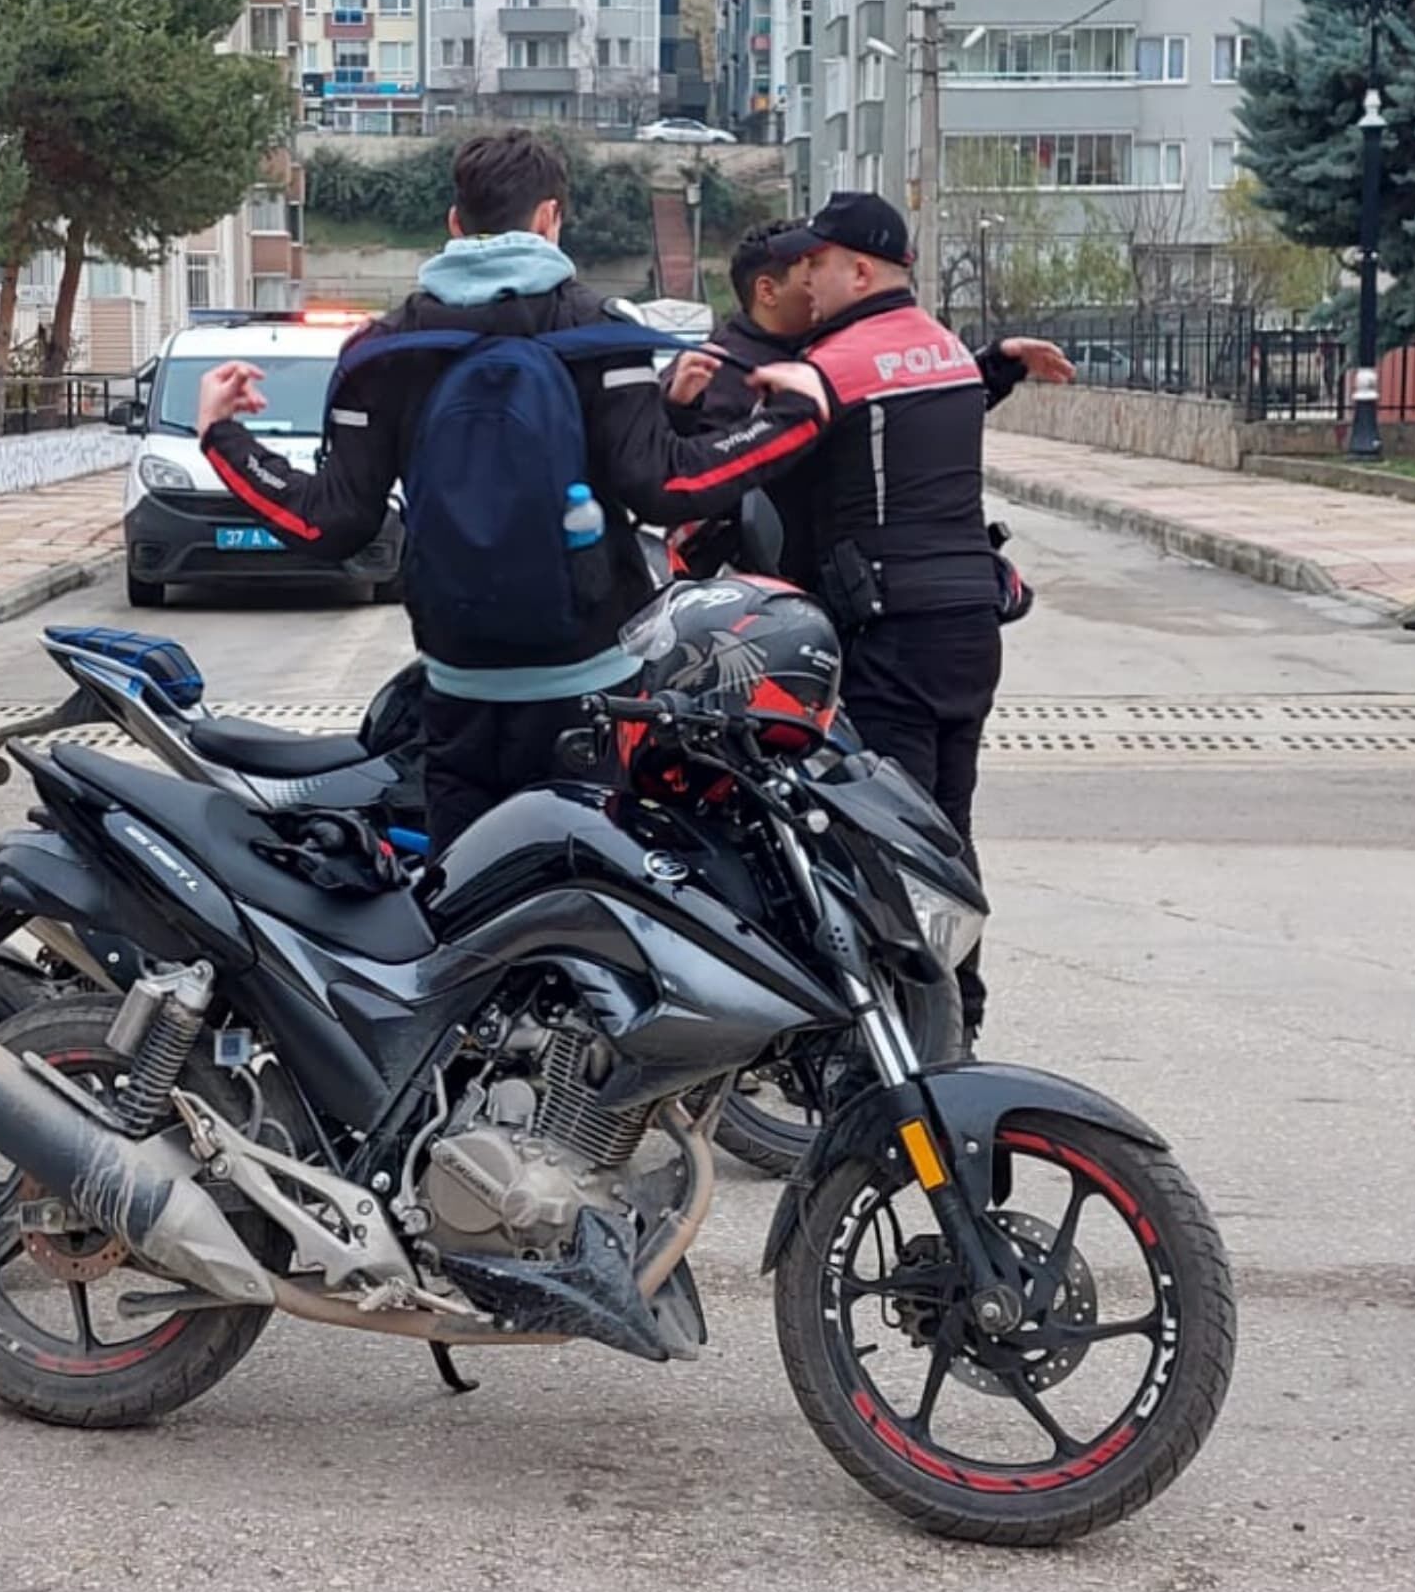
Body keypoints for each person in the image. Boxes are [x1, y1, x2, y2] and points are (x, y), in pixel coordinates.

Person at [193, 129, 831, 849]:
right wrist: (794, 418)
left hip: (458, 687)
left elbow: (330, 524)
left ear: (454, 224)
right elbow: (665, 485)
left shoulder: (382, 347)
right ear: (549, 218)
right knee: (581, 896)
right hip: (590, 688)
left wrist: (223, 438)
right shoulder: (598, 331)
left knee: (463, 891)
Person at [665, 194, 1070, 1036]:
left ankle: (905, 1030)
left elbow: (729, 476)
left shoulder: (830, 367)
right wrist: (998, 363)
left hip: (885, 628)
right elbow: (920, 411)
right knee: (944, 823)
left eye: (813, 264)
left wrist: (668, 450)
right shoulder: (946, 352)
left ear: (856, 270)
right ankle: (958, 1009)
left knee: (882, 833)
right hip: (966, 626)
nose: (801, 278)